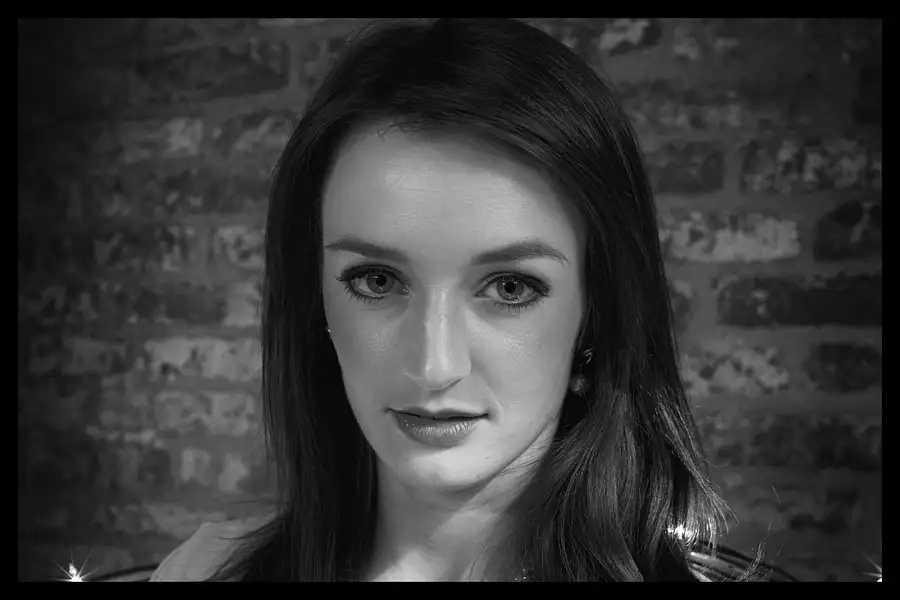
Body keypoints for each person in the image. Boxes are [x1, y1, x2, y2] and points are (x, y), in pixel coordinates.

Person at [150, 17, 744, 582]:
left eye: (510, 287)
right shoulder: (204, 572)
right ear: (316, 302)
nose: (434, 367)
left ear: (595, 313)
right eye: (377, 281)